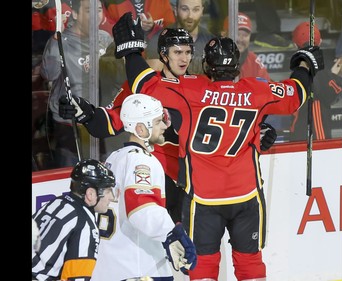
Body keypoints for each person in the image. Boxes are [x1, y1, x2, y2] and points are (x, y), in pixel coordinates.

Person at [109, 12, 324, 280]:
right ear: (237, 65)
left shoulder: (192, 88)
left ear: (207, 66)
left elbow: (144, 84)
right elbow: (297, 93)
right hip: (246, 196)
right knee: (251, 265)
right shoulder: (256, 90)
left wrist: (131, 52)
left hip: (203, 199)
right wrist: (305, 63)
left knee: (204, 267)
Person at [58, 27, 277, 223]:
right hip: (152, 178)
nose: (184, 58)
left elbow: (230, 130)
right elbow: (108, 124)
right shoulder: (143, 88)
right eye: (177, 52)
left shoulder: (203, 88)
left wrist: (261, 134)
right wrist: (85, 112)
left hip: (195, 184)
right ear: (164, 55)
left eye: (187, 52)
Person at [91, 94, 197, 280]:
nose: (164, 126)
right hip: (139, 269)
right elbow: (141, 208)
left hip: (113, 266)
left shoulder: (114, 157)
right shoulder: (141, 160)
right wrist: (171, 234)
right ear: (141, 129)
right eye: (158, 122)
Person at [40, 0, 114, 168]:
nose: (96, 17)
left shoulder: (105, 38)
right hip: (70, 129)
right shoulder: (61, 42)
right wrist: (54, 43)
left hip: (100, 124)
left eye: (99, 10)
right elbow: (48, 75)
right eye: (89, 11)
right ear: (75, 14)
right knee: (72, 182)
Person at [32, 159, 116, 281]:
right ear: (90, 194)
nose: (112, 198)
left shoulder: (54, 203)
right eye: (108, 191)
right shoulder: (85, 226)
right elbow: (77, 278)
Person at [289, 21, 342, 141]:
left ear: (294, 45)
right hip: (316, 137)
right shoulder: (318, 71)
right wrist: (334, 76)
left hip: (296, 133)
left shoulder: (296, 71)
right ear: (321, 42)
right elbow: (332, 95)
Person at [145, 0, 215, 74]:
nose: (190, 16)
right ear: (175, 10)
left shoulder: (211, 43)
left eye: (196, 9)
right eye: (184, 9)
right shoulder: (159, 40)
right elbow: (154, 81)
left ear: (202, 11)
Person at [222, 12, 270, 80]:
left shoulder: (254, 61)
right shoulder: (214, 60)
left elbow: (265, 87)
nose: (240, 39)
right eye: (237, 34)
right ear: (224, 34)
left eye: (245, 35)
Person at [101, 0, 176, 40]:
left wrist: (153, 28)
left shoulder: (162, 2)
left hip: (155, 58)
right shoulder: (110, 2)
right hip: (124, 58)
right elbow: (105, 31)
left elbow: (172, 31)